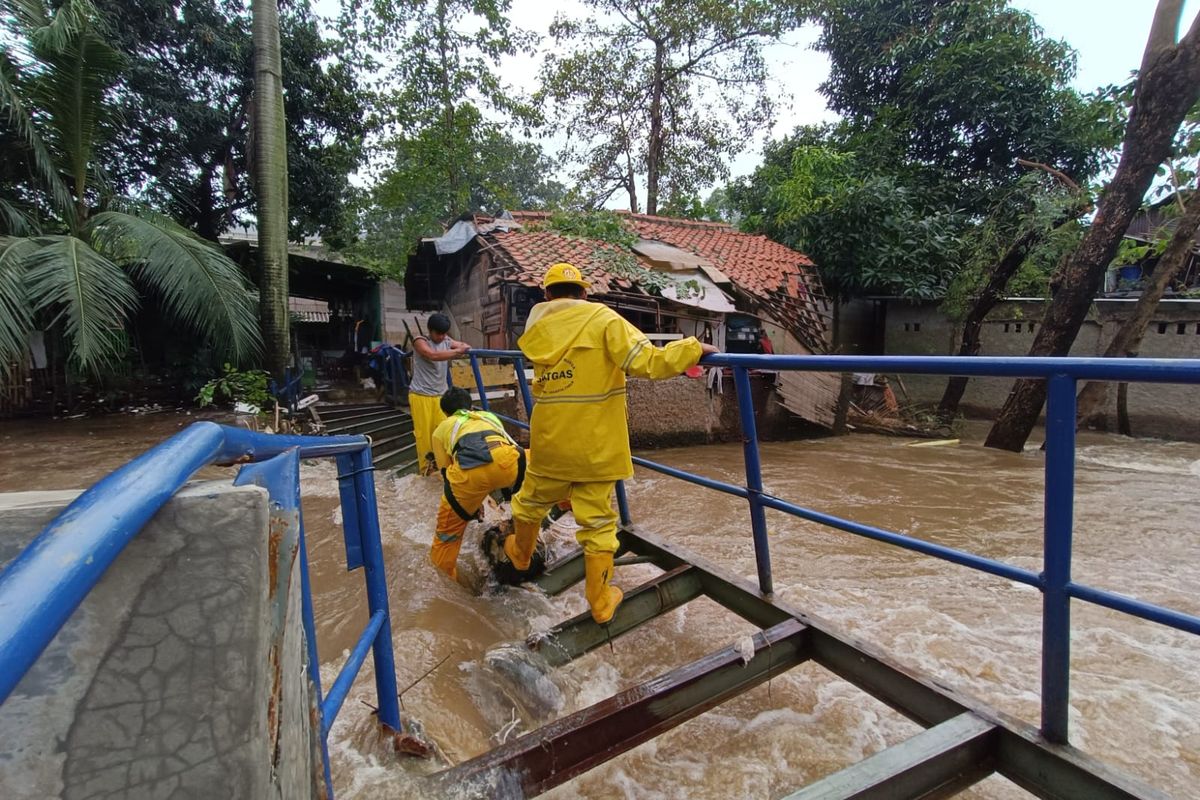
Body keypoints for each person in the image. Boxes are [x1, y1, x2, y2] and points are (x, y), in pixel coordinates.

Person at [500, 262, 718, 624]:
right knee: (598, 523)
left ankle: (520, 556)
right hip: (596, 445)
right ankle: (600, 602)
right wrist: (693, 349)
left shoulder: (536, 324)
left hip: (550, 440)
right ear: (585, 293)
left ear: (547, 294)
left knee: (530, 501)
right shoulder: (603, 319)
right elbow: (649, 362)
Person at [428, 388, 525, 580]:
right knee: (542, 488)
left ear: (445, 413)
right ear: (470, 406)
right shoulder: (488, 416)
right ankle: (523, 548)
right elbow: (498, 451)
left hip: (468, 475)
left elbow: (447, 473)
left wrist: (471, 504)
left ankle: (446, 582)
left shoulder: (441, 430)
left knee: (446, 539)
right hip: (512, 464)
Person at [409, 313, 470, 475]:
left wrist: (459, 347)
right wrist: (458, 352)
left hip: (440, 396)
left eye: (444, 333)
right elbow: (432, 355)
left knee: (445, 433)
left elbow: (464, 345)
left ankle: (446, 469)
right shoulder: (420, 341)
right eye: (438, 334)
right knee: (424, 437)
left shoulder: (446, 340)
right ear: (430, 330)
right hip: (420, 395)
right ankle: (426, 472)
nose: (442, 337)